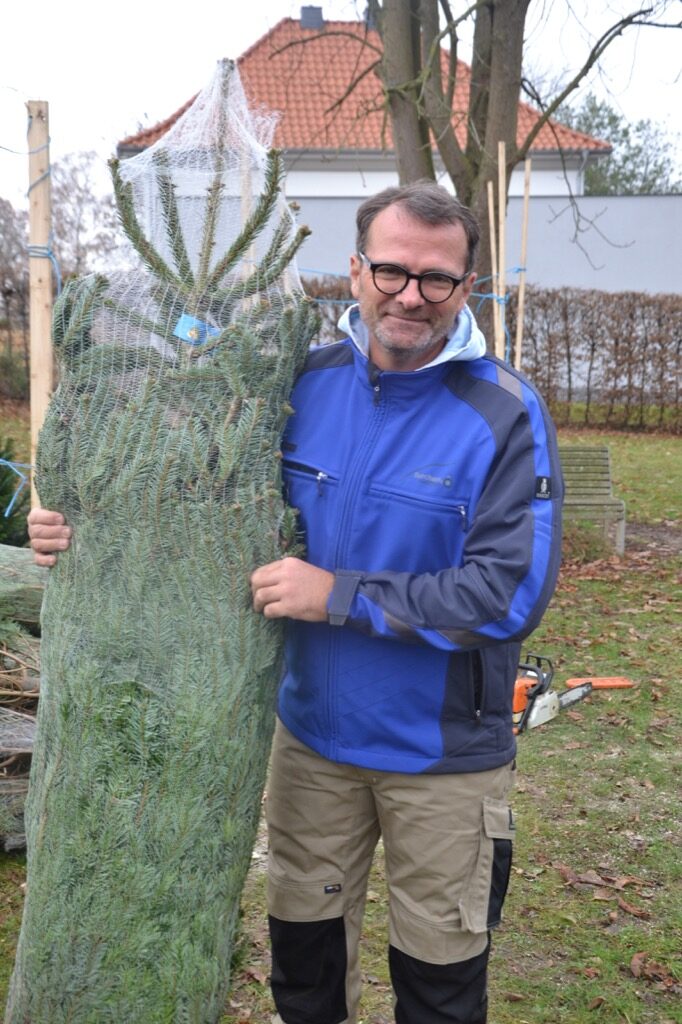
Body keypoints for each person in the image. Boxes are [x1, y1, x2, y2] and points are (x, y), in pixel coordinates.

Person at [30, 181, 563, 1024]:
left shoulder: (503, 413)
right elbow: (190, 497)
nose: (410, 296)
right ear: (355, 271)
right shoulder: (297, 385)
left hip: (442, 758)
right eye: (391, 271)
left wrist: (337, 596)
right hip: (310, 742)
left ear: (466, 287)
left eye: (436, 278)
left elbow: (509, 594)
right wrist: (80, 525)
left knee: (440, 983)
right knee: (306, 971)